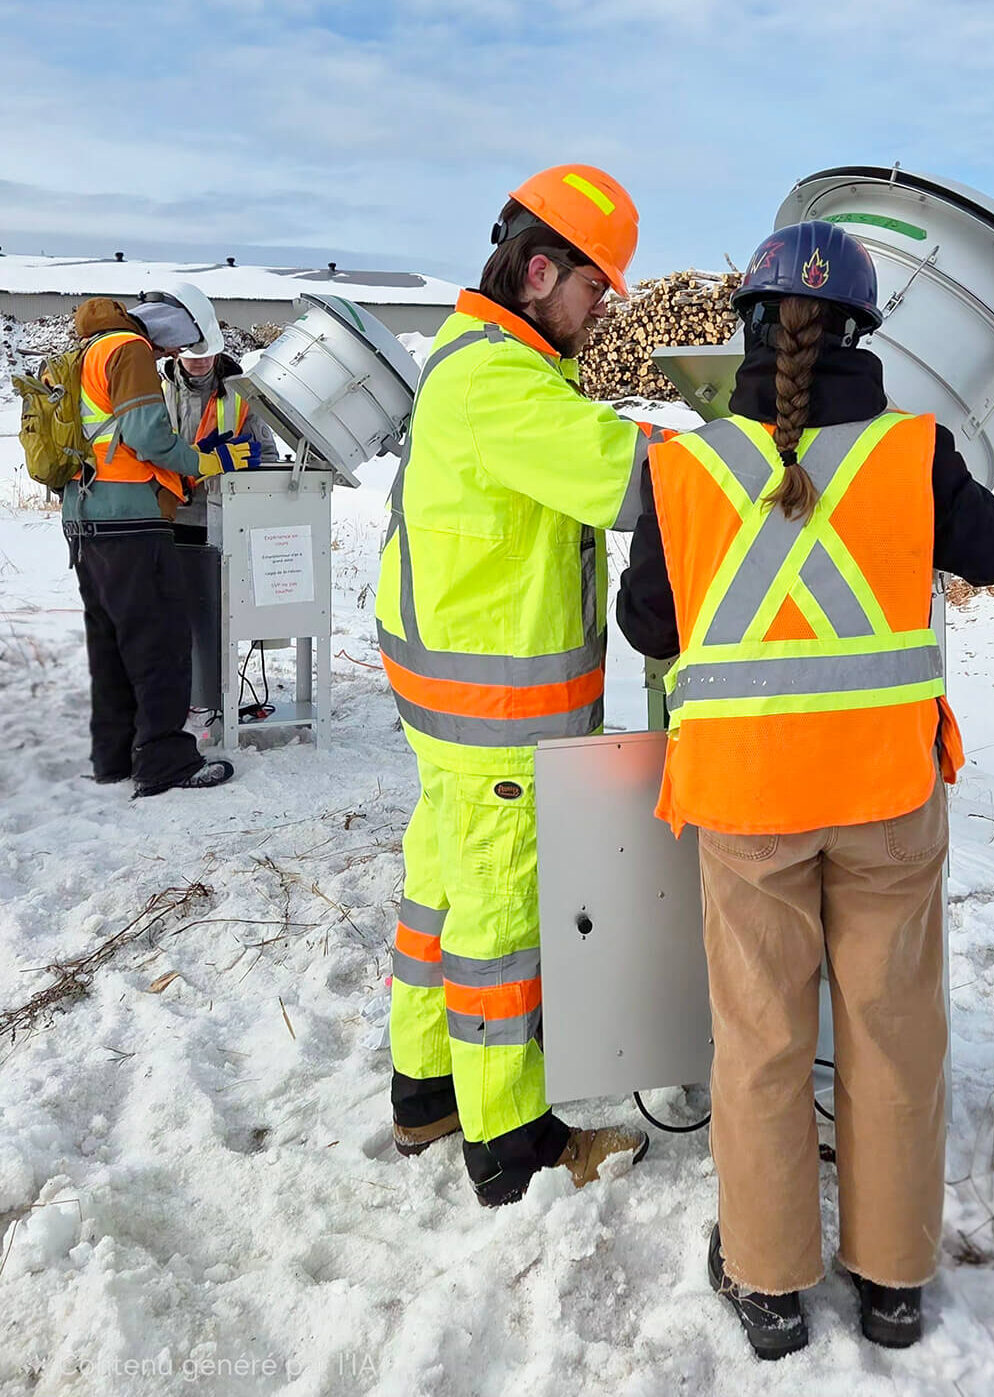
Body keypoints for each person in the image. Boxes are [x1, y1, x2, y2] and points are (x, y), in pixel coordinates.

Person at [616, 221, 994, 1357]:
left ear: (745, 325)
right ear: (863, 331)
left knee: (758, 1041)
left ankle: (766, 1284)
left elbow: (646, 624)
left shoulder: (682, 464)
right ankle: (891, 1280)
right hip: (888, 796)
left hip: (745, 802)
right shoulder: (915, 451)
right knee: (893, 1033)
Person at [375, 164, 666, 1206]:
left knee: (442, 897)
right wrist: (744, 452)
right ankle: (511, 1140)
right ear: (540, 272)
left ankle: (426, 1089)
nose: (600, 309)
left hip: (455, 711)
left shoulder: (474, 360)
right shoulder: (499, 381)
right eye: (595, 287)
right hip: (496, 719)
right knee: (499, 926)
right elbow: (634, 476)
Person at [63, 283, 263, 797]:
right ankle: (164, 761)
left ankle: (115, 756)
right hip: (130, 515)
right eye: (181, 343)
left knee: (111, 644)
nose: (177, 354)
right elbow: (147, 437)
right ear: (174, 325)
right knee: (160, 642)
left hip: (87, 518)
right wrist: (206, 461)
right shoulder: (129, 350)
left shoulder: (89, 348)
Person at [162, 342, 279, 546]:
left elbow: (267, 458)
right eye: (194, 356)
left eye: (208, 354)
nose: (202, 361)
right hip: (171, 516)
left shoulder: (240, 394)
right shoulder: (158, 392)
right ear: (176, 354)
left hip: (226, 517)